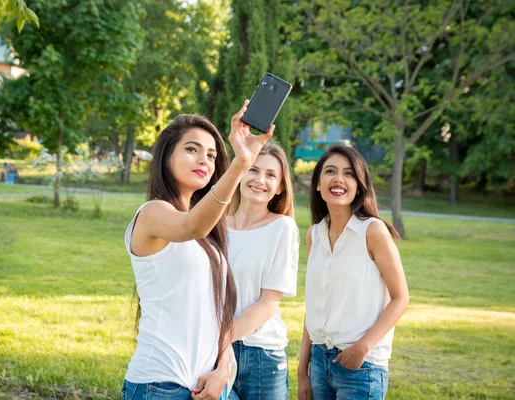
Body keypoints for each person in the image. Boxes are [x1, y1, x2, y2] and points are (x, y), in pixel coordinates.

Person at [122, 101, 274, 400]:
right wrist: (241, 164)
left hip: (210, 384)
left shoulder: (209, 233)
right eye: (192, 149)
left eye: (212, 154)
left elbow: (212, 312)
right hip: (160, 386)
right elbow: (192, 226)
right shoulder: (153, 213)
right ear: (167, 156)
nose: (204, 159)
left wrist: (222, 369)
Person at [297, 144, 409, 400]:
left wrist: (363, 348)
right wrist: (303, 371)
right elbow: (313, 307)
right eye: (330, 171)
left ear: (359, 185)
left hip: (361, 366)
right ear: (317, 183)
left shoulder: (373, 231)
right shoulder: (314, 235)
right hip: (318, 362)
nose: (338, 179)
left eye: (348, 173)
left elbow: (401, 298)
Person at [226, 142, 299, 400]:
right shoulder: (217, 224)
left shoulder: (282, 228)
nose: (260, 180)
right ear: (241, 173)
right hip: (213, 350)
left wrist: (219, 341)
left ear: (279, 187)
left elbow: (268, 304)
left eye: (270, 175)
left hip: (261, 355)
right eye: (253, 170)